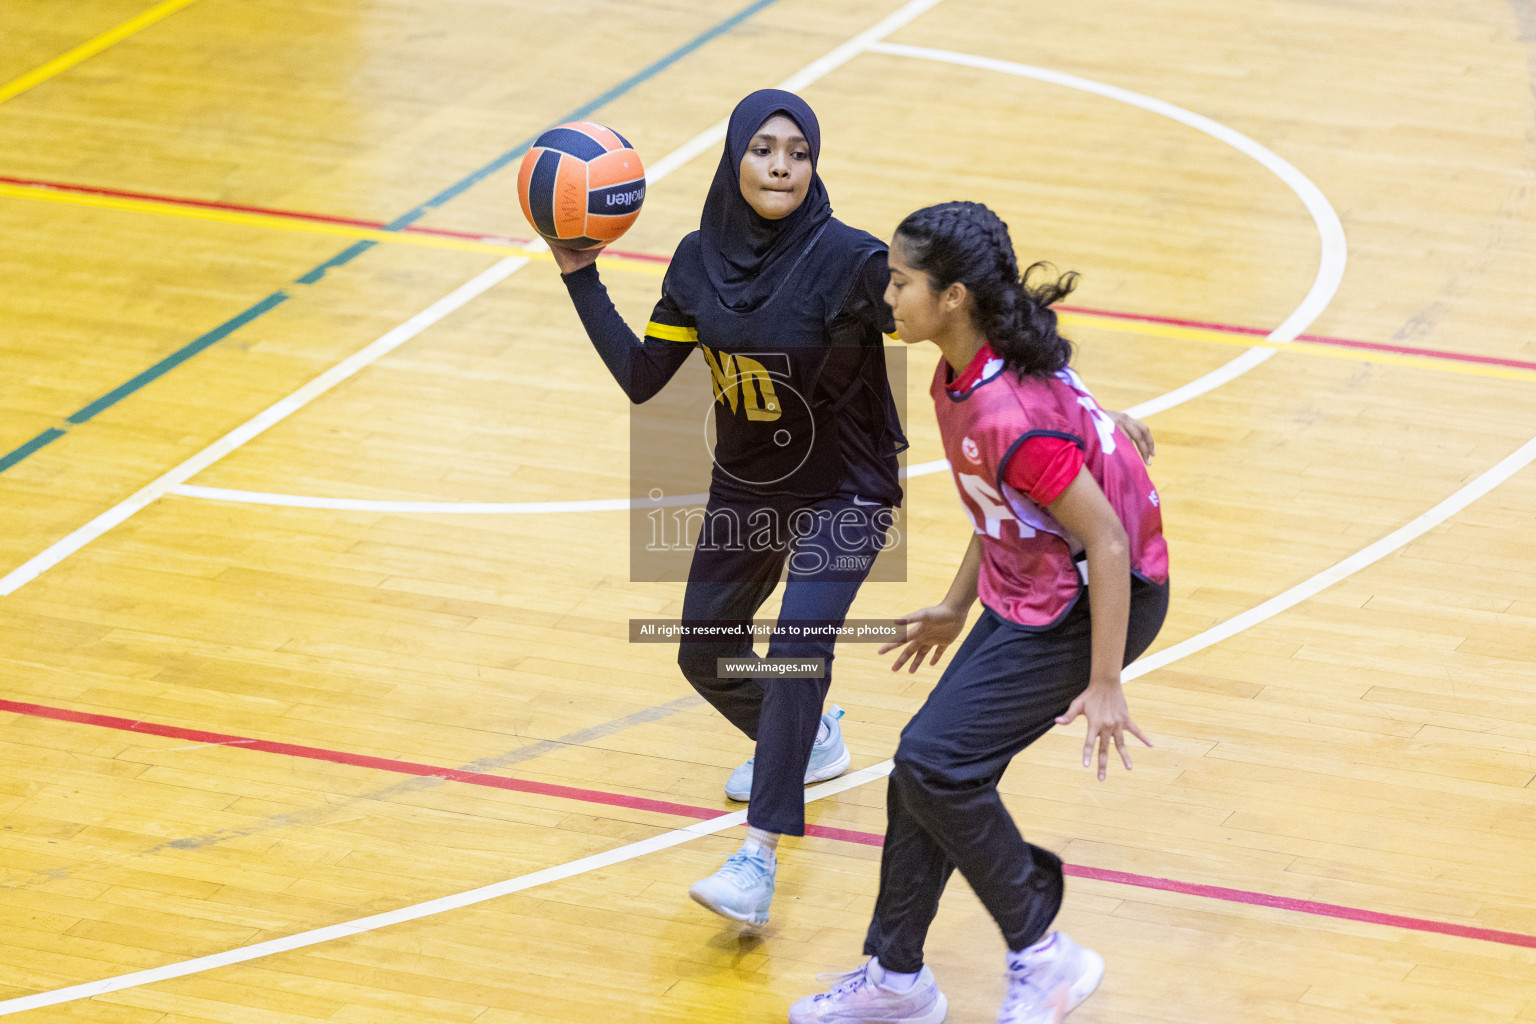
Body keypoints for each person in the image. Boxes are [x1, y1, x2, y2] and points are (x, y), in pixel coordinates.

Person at [789, 201, 1169, 1024]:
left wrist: (1106, 681)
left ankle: (1046, 953)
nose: (886, 296)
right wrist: (956, 605)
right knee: (923, 771)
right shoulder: (962, 371)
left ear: (953, 296)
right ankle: (896, 979)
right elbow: (1008, 505)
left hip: (1102, 596)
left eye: (900, 282)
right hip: (1031, 583)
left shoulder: (1007, 412)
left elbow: (1104, 542)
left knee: (935, 764)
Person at [550, 90, 908, 928]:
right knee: (703, 651)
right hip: (749, 484)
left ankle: (757, 857)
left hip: (846, 488)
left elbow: (936, 320)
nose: (782, 165)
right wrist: (580, 276)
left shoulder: (852, 260)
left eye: (798, 152)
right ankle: (809, 738)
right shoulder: (694, 261)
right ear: (734, 158)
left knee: (795, 646)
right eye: (764, 149)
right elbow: (646, 380)